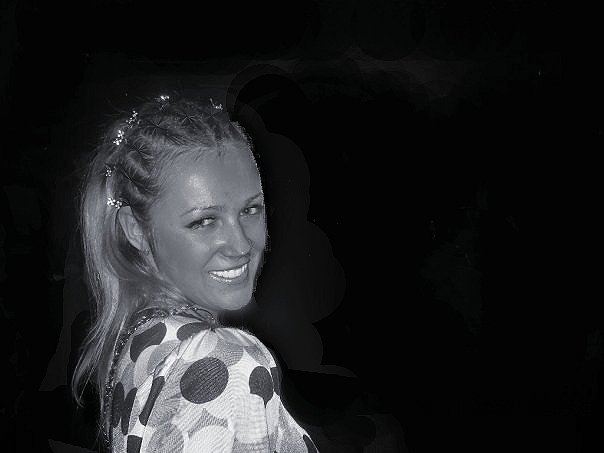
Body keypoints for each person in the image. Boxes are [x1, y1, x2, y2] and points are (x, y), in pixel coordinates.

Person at [71, 90, 319, 452]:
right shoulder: (224, 361)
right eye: (204, 221)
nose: (241, 245)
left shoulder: (143, 337)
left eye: (250, 210)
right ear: (136, 230)